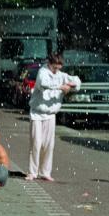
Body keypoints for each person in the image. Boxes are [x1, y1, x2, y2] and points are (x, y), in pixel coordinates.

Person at [26, 53, 81, 182]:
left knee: (49, 145)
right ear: (49, 64)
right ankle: (32, 172)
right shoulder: (43, 72)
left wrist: (70, 86)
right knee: (36, 143)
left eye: (58, 68)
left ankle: (45, 172)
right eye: (54, 67)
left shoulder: (61, 75)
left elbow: (77, 81)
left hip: (51, 114)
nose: (56, 70)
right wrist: (60, 86)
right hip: (37, 113)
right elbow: (43, 84)